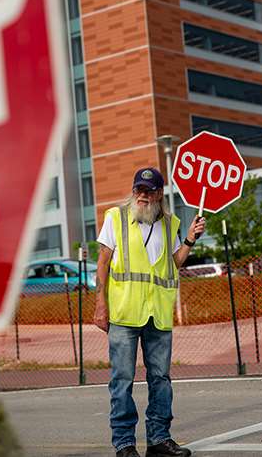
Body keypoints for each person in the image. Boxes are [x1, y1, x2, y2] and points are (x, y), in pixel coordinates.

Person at [95, 167, 205, 457]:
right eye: (138, 190)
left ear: (159, 194)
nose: (142, 195)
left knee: (161, 379)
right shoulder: (115, 218)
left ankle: (159, 440)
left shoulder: (171, 223)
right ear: (133, 192)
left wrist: (190, 239)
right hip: (123, 314)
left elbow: (174, 263)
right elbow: (103, 263)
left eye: (148, 191)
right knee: (122, 380)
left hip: (158, 314)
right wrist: (100, 304)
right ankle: (124, 444)